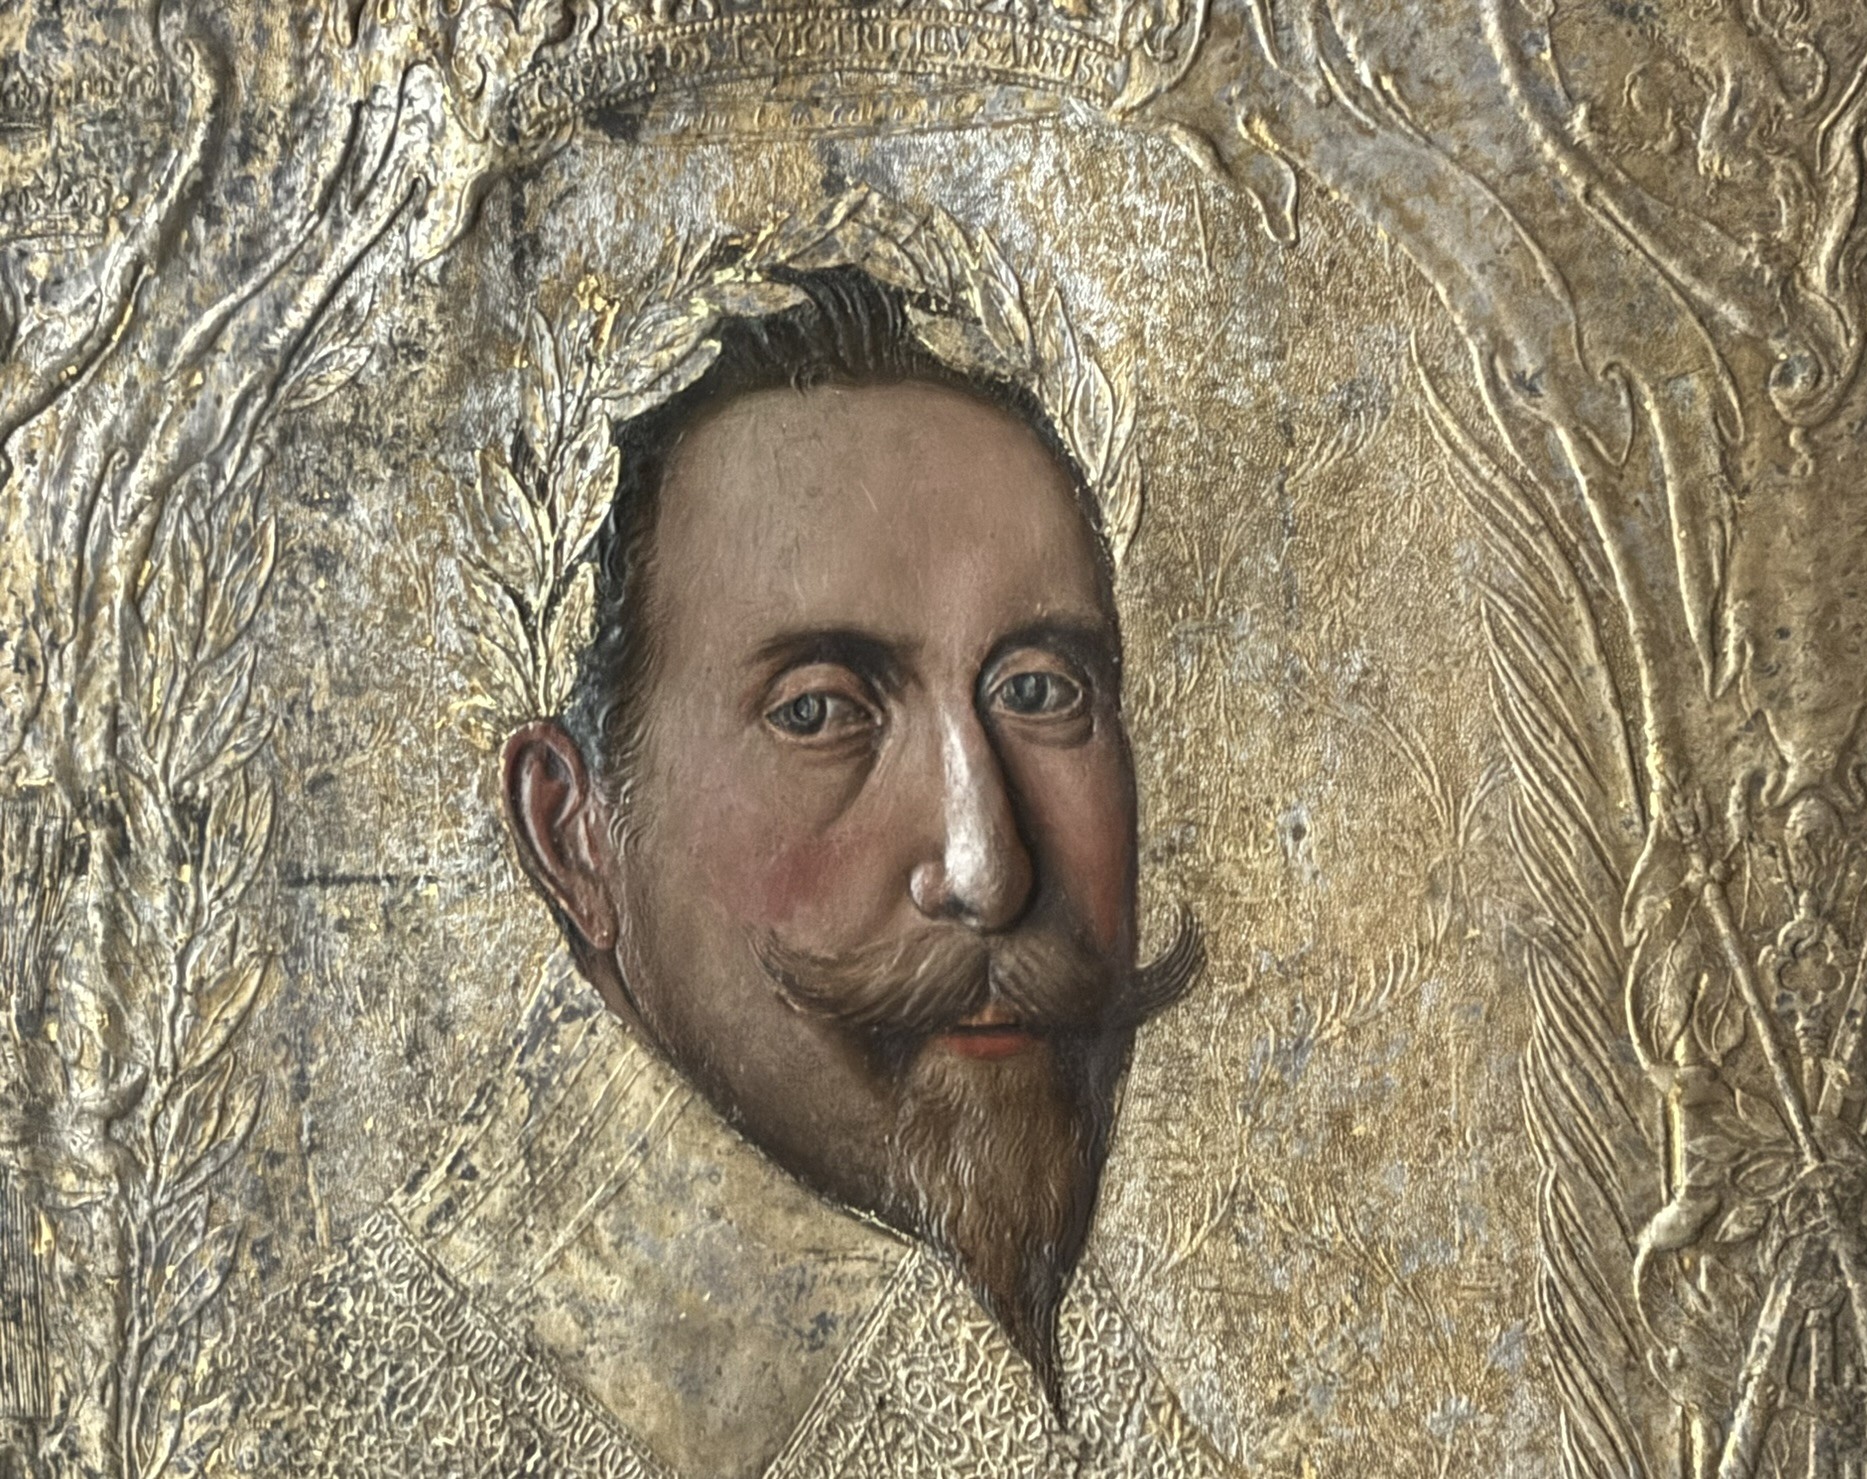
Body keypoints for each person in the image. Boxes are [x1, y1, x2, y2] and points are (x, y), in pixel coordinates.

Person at [246, 266, 1216, 1479]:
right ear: (575, 836)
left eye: (1038, 690)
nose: (987, 867)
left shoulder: (1065, 1400)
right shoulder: (359, 1420)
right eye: (818, 711)